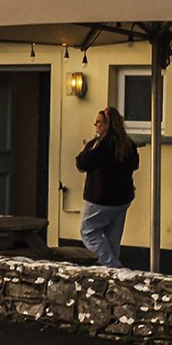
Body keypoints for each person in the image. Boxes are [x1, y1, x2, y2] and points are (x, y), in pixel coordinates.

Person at [74, 106, 140, 268]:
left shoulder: (100, 144)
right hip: (123, 198)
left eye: (99, 122)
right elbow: (135, 164)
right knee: (112, 238)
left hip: (100, 198)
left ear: (108, 124)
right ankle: (112, 275)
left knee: (88, 231)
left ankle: (115, 267)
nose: (95, 125)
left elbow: (82, 164)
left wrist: (88, 149)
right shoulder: (127, 144)